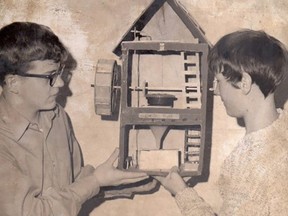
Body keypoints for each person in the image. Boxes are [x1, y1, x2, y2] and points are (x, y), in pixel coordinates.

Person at [0, 22, 153, 216]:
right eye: (50, 76)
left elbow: (73, 187)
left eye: (61, 73)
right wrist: (95, 181)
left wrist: (128, 180)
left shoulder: (57, 117)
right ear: (14, 83)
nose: (61, 83)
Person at [155, 30, 288, 215]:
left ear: (244, 83)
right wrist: (181, 190)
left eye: (219, 82)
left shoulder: (269, 163)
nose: (216, 91)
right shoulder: (265, 144)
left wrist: (182, 194)